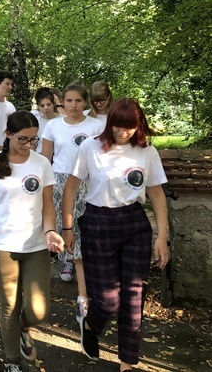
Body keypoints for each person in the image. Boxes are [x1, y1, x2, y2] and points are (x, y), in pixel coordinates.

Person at [61, 98, 169, 372]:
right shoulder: (90, 147)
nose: (123, 132)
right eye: (118, 126)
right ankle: (89, 324)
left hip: (135, 224)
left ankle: (127, 363)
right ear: (110, 123)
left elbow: (156, 194)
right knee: (109, 301)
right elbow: (71, 188)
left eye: (129, 127)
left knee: (134, 300)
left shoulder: (147, 151)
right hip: (98, 222)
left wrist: (161, 236)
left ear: (138, 126)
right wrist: (67, 227)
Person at [0, 111, 65, 372]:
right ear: (8, 135)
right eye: (23, 139)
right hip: (1, 245)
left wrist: (50, 231)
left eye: (34, 140)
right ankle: (12, 362)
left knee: (38, 310)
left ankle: (24, 328)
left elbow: (48, 204)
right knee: (10, 306)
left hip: (36, 246)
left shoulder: (42, 164)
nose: (29, 145)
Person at [41, 83, 104, 325]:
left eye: (78, 101)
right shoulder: (53, 126)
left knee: (82, 224)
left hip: (88, 181)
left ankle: (85, 282)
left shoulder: (96, 126)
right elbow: (46, 158)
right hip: (59, 179)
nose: (73, 105)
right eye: (69, 101)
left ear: (85, 103)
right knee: (62, 223)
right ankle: (66, 261)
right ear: (62, 103)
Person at [31, 88, 62, 153]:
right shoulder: (35, 122)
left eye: (48, 104)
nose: (46, 108)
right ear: (38, 106)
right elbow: (32, 143)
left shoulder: (63, 119)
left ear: (53, 104)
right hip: (40, 155)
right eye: (42, 105)